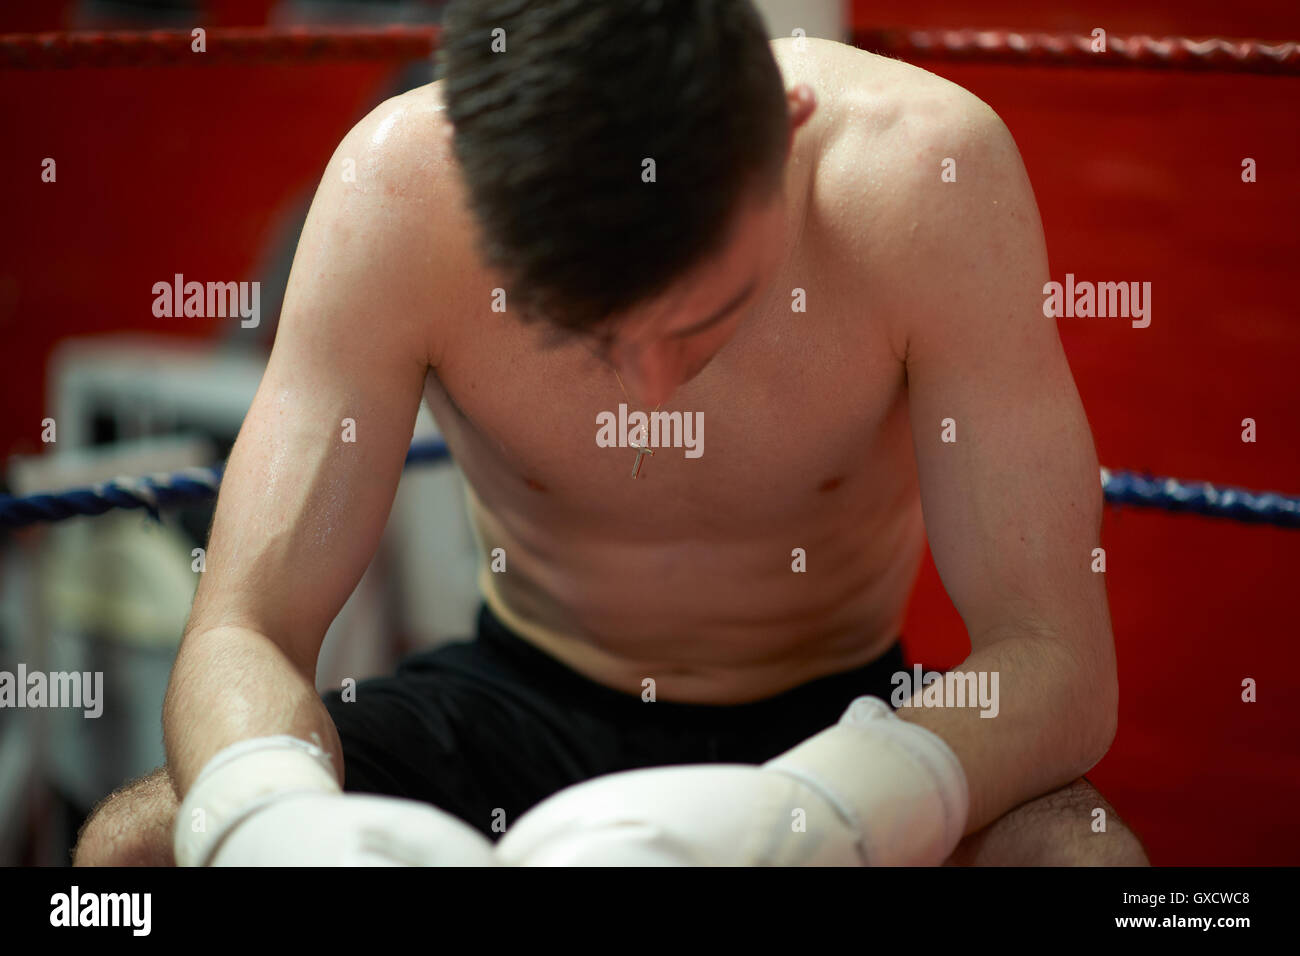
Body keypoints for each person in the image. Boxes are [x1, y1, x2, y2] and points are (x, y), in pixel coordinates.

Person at [75, 0, 1147, 866]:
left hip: (839, 711)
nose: (653, 385)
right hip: (520, 692)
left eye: (702, 318)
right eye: (587, 335)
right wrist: (274, 817)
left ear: (786, 130)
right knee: (132, 847)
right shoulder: (398, 192)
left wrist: (842, 804)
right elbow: (245, 626)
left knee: (1085, 859)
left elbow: (1055, 656)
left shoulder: (925, 177)